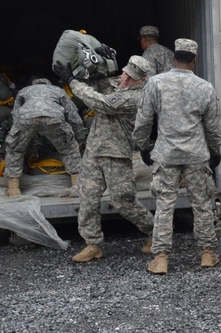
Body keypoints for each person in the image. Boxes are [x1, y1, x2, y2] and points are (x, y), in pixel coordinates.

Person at [133, 38, 221, 275]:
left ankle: (161, 258)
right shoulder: (205, 87)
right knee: (202, 204)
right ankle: (207, 254)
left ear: (174, 58)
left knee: (164, 206)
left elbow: (143, 121)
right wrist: (215, 152)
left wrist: (143, 147)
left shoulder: (155, 83)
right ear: (194, 60)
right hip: (197, 155)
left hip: (166, 154)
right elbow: (212, 128)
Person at [57, 55, 155, 262]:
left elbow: (101, 103)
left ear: (142, 80)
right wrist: (94, 60)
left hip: (116, 154)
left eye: (131, 77)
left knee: (123, 201)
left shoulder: (136, 98)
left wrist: (71, 82)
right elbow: (96, 81)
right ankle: (92, 245)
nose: (125, 79)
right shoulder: (117, 84)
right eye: (125, 73)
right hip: (94, 152)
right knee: (87, 199)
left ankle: (155, 232)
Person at [3, 78, 87, 197]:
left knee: (15, 150)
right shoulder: (58, 90)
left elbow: (15, 115)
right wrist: (79, 139)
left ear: (33, 85)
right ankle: (77, 185)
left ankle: (13, 189)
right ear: (48, 84)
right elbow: (73, 116)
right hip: (53, 118)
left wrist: (19, 139)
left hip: (26, 119)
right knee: (69, 149)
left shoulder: (23, 91)